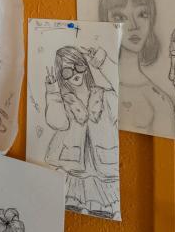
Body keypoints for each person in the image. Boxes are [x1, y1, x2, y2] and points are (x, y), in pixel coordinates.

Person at [43, 45, 119, 218]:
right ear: (61, 76)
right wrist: (52, 92)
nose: (75, 73)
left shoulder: (103, 95)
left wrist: (102, 62)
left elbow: (122, 100)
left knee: (102, 212)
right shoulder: (64, 100)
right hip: (75, 167)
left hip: (103, 166)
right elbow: (57, 122)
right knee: (73, 214)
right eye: (67, 71)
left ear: (85, 66)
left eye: (78, 65)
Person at [98, 0, 175, 138]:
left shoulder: (159, 101)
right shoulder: (91, 83)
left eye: (142, 14)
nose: (134, 25)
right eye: (120, 17)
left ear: (151, 19)